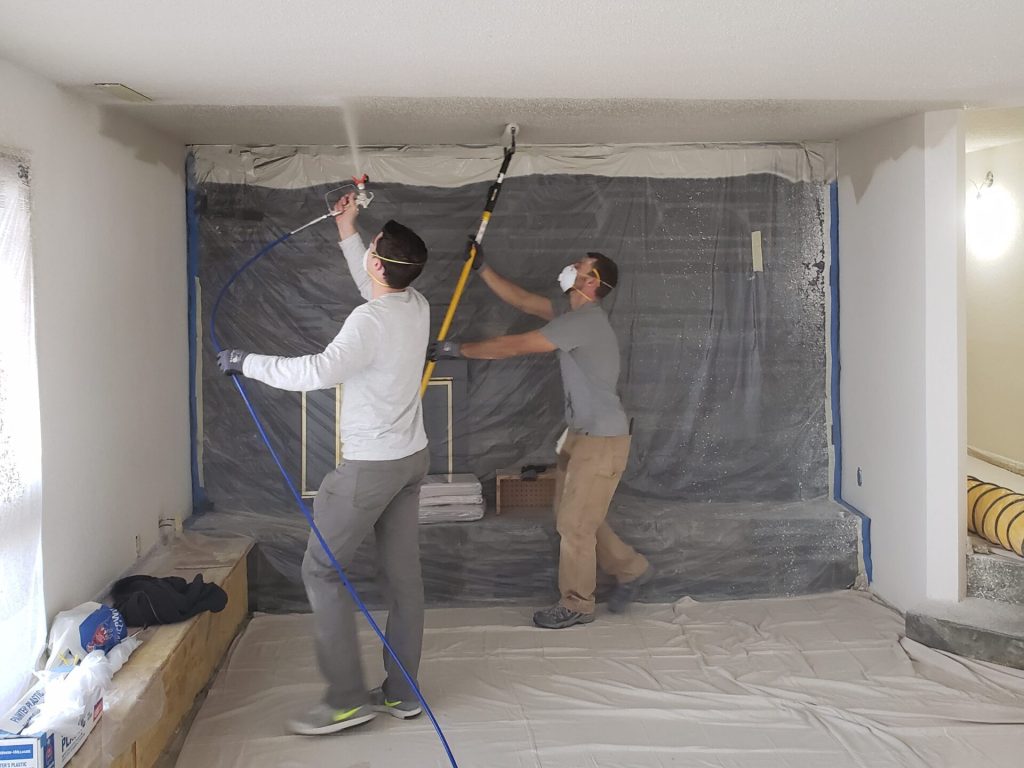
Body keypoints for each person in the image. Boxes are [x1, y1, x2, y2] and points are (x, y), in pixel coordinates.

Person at [217, 193, 430, 735]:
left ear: (379, 264)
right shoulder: (414, 304)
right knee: (404, 579)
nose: (369, 255)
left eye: (372, 249)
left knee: (319, 570)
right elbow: (374, 291)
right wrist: (348, 229)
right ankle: (403, 693)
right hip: (411, 461)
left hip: (369, 470)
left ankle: (345, 700)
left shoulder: (369, 320)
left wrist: (247, 362)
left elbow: (315, 371)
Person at [431, 245, 653, 629]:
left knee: (575, 525)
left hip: (601, 441)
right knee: (578, 517)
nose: (571, 267)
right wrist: (482, 267)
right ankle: (631, 569)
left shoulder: (584, 323)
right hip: (581, 437)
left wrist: (458, 349)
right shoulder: (571, 316)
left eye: (580, 266)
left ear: (590, 281)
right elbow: (524, 301)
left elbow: (514, 346)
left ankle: (578, 604)